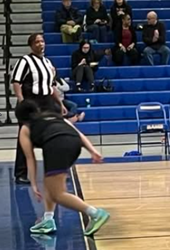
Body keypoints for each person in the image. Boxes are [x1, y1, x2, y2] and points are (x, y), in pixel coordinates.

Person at [16, 99, 110, 236]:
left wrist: (34, 184)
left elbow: (30, 159)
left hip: (56, 146)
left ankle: (95, 213)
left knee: (58, 194)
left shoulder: (25, 128)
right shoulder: (54, 117)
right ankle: (48, 219)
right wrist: (93, 151)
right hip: (74, 144)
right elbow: (79, 134)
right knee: (50, 182)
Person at [12, 34, 63, 184]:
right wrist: (22, 101)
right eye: (37, 42)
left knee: (53, 135)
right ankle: (21, 173)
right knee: (25, 137)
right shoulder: (24, 61)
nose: (41, 44)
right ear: (31, 45)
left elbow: (51, 86)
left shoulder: (47, 62)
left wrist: (60, 103)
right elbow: (16, 82)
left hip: (47, 101)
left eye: (42, 41)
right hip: (31, 101)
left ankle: (55, 170)